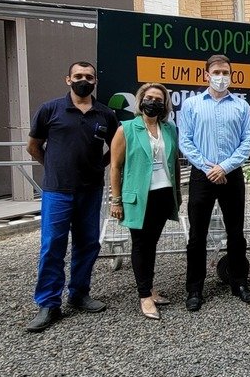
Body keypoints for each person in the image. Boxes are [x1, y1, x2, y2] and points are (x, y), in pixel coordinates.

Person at [24, 61, 119, 332]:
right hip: (57, 191)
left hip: (90, 191)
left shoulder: (105, 114)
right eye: (78, 76)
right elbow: (33, 146)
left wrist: (99, 165)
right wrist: (53, 166)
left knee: (87, 244)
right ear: (68, 79)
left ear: (94, 82)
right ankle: (48, 303)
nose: (84, 80)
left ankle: (79, 293)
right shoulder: (50, 109)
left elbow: (116, 147)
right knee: (52, 245)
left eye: (89, 77)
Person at [177, 54, 250, 310]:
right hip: (203, 174)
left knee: (236, 233)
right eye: (217, 72)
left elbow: (247, 142)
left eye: (226, 72)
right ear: (206, 75)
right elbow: (185, 141)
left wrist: (225, 166)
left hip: (231, 174)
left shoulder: (241, 106)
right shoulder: (191, 105)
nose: (221, 77)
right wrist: (208, 166)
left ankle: (239, 282)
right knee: (197, 235)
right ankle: (195, 289)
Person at [108, 83, 181, 320]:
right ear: (141, 101)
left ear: (164, 105)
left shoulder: (169, 129)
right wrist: (116, 200)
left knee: (152, 244)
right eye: (149, 98)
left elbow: (174, 164)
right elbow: (116, 167)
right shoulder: (126, 129)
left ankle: (149, 288)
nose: (153, 102)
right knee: (140, 244)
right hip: (139, 197)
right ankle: (144, 296)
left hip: (162, 194)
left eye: (158, 100)